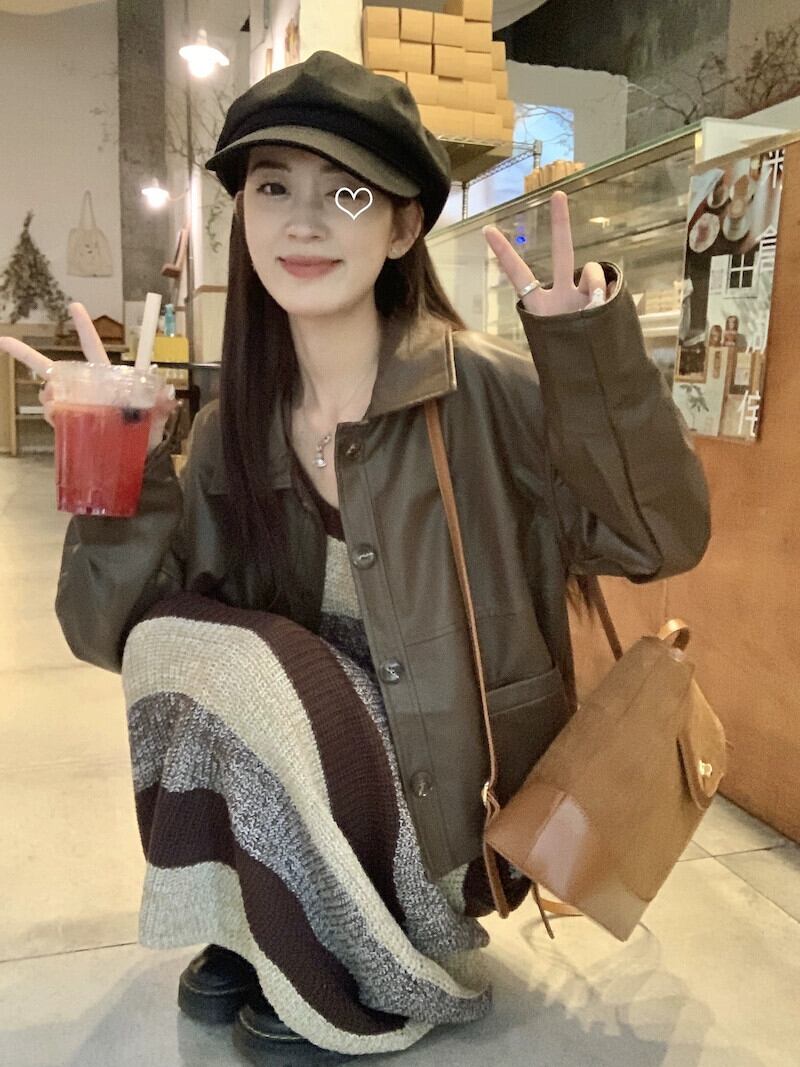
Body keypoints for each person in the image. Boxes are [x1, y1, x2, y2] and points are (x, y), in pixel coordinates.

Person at [1, 51, 711, 1065]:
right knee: (183, 645)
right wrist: (121, 461)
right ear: (242, 215)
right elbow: (118, 639)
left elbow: (658, 540)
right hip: (313, 778)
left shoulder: (487, 394)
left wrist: (588, 365)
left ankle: (382, 957)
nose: (302, 222)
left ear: (403, 226)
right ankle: (271, 914)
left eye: (346, 193)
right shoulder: (236, 430)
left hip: (451, 808)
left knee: (253, 665)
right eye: (271, 188)